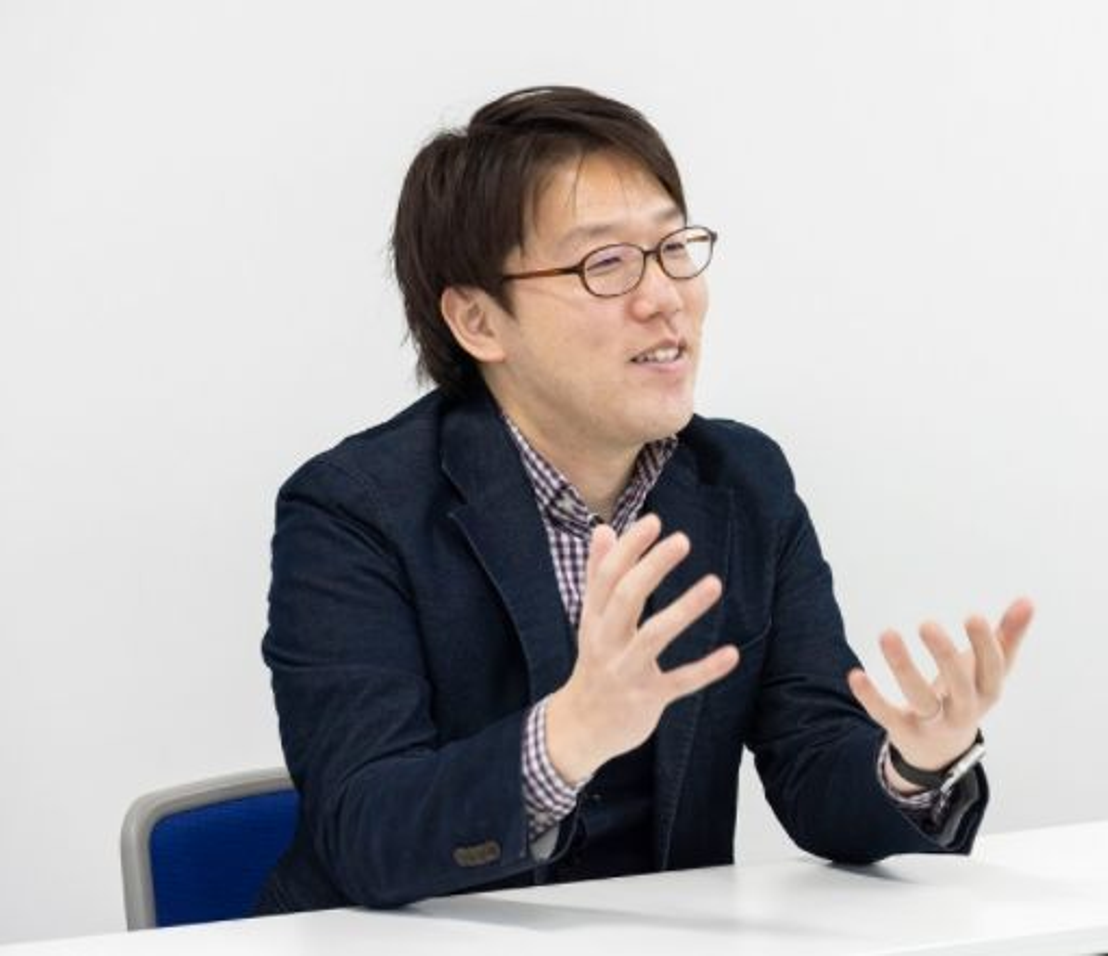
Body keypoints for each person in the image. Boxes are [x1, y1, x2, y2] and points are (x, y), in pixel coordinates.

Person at [255, 85, 1034, 915]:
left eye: (673, 249)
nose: (664, 297)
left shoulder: (743, 481)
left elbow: (812, 761)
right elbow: (363, 828)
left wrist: (912, 763)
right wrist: (568, 737)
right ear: (479, 321)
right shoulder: (353, 511)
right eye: (606, 264)